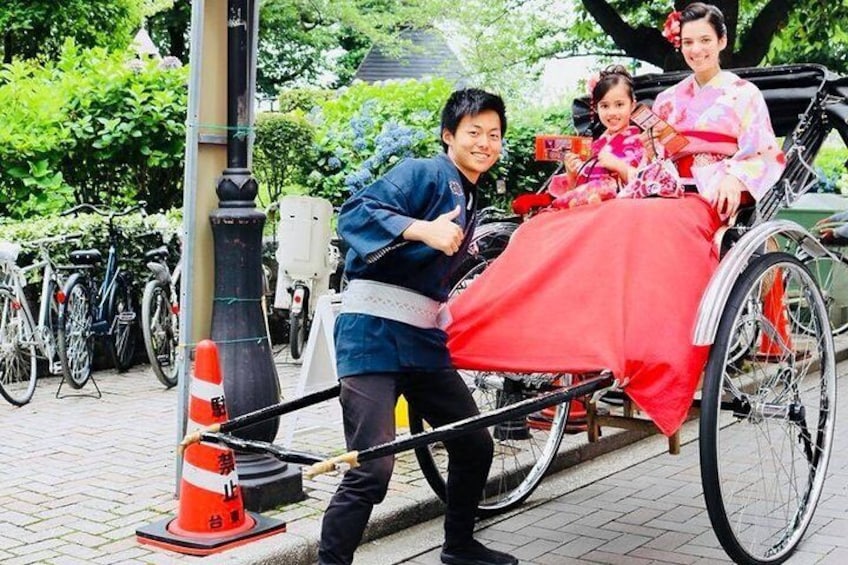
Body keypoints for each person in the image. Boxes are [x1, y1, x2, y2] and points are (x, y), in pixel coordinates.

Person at [446, 3, 785, 438]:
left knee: (641, 224)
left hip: (710, 194)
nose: (696, 49)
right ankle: (569, 343)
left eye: (705, 40)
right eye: (688, 42)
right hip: (657, 186)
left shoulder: (744, 94)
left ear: (721, 42)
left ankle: (649, 353)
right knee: (598, 221)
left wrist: (735, 179)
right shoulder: (666, 101)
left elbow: (762, 153)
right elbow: (646, 155)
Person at [318, 88, 518, 565]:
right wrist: (422, 229)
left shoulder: (469, 196)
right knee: (372, 468)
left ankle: (460, 546)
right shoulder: (424, 172)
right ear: (449, 135)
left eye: (494, 135)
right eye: (474, 132)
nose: (485, 143)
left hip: (423, 341)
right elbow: (354, 213)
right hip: (372, 335)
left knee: (473, 443)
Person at [512, 65, 645, 215]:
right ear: (596, 108)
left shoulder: (642, 141)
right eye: (605, 106)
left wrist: (618, 166)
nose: (612, 112)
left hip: (621, 214)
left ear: (632, 105)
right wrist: (572, 174)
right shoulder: (594, 146)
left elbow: (649, 182)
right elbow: (575, 192)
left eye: (619, 105)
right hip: (584, 214)